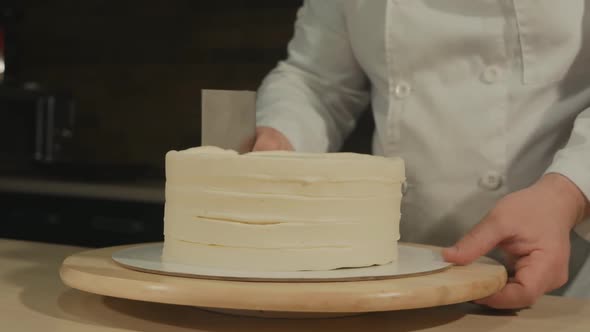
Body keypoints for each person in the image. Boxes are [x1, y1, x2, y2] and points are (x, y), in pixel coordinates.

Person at [252, 1, 590, 309]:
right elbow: (316, 80)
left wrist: (567, 196)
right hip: (398, 271)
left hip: (567, 272)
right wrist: (281, 138)